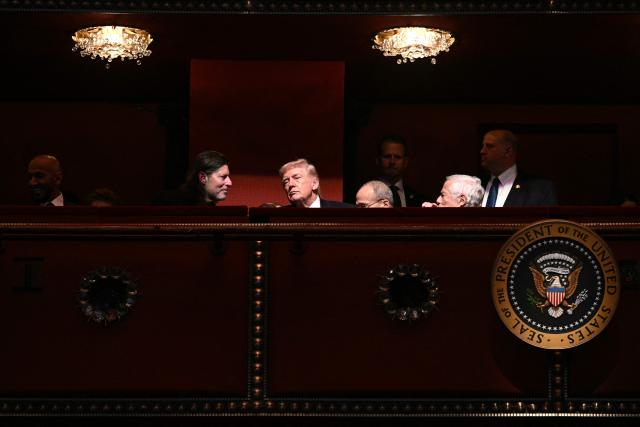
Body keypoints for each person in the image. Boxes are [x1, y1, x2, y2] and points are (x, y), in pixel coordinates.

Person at [480, 130, 557, 207]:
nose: (482, 151)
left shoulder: (540, 189)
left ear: (508, 151)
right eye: (483, 146)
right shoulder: (475, 186)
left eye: (489, 146)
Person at [153, 150, 232, 205]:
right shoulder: (167, 203)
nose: (230, 183)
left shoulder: (210, 210)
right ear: (203, 178)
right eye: (223, 177)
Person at [376, 135, 426, 207]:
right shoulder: (364, 195)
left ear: (405, 162)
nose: (392, 162)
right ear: (378, 160)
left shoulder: (419, 200)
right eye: (387, 156)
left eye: (397, 157)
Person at [279, 159, 352, 208]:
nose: (291, 184)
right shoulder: (276, 217)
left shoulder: (345, 211)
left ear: (314, 184)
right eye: (286, 181)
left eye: (297, 177)